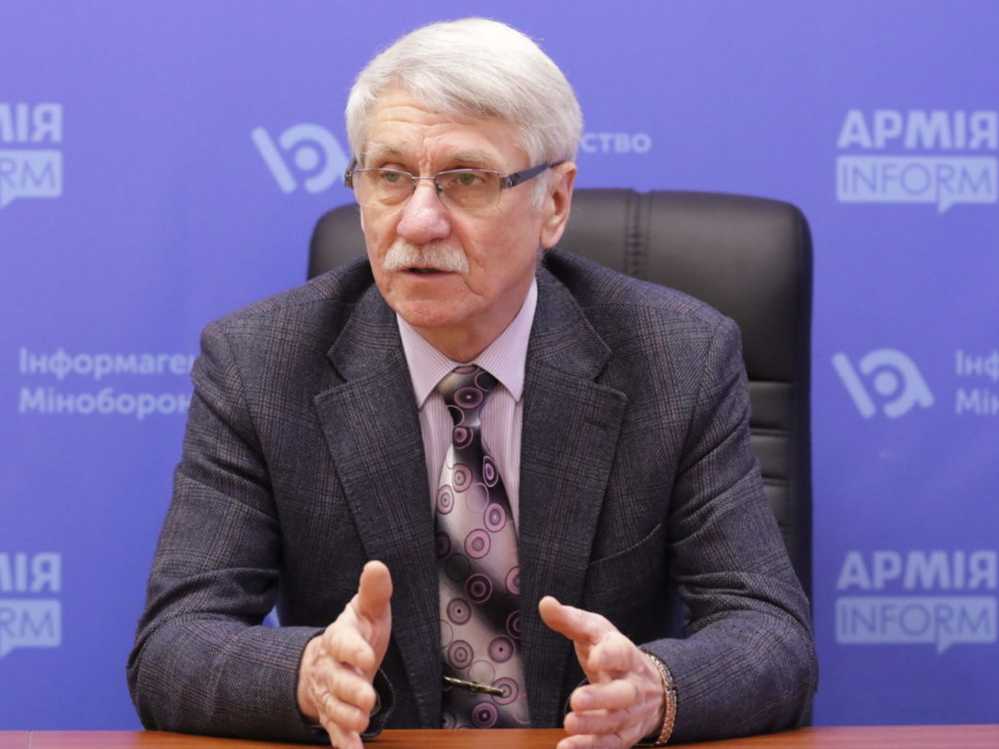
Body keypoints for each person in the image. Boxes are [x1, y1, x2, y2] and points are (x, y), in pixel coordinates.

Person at [127, 18, 817, 749]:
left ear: (554, 203)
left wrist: (655, 690)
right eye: (390, 175)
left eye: (466, 180)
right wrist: (304, 673)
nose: (419, 221)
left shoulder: (677, 360)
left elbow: (770, 632)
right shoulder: (259, 364)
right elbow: (173, 644)